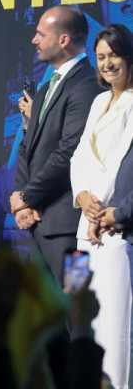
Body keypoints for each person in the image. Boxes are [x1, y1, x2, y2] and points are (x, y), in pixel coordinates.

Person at [11, 5, 103, 281]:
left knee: (75, 315)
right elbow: (28, 146)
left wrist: (27, 197)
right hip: (40, 224)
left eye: (41, 34)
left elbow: (69, 153)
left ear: (64, 40)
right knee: (44, 320)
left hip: (68, 228)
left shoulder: (87, 84)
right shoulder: (47, 86)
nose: (34, 40)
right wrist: (23, 202)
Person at [76, 23, 133, 389]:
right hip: (85, 231)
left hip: (115, 231)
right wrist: (82, 197)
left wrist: (110, 213)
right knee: (81, 321)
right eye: (100, 57)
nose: (107, 64)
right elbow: (79, 157)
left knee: (114, 328)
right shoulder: (98, 101)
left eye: (114, 55)